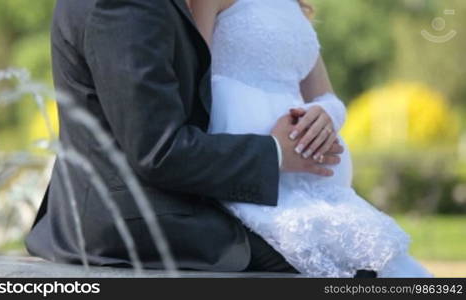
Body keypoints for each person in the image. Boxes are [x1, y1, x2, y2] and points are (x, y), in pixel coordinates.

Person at [25, 0, 344, 274]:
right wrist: (275, 151)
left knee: (345, 248)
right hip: (129, 217)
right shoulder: (124, 5)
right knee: (331, 260)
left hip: (161, 197)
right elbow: (158, 151)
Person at [189, 0, 432, 277]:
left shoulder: (294, 6)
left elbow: (326, 96)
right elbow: (193, 79)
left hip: (310, 181)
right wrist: (273, 148)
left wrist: (325, 114)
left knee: (389, 265)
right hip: (252, 173)